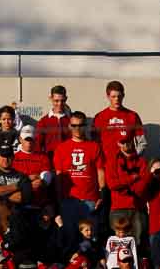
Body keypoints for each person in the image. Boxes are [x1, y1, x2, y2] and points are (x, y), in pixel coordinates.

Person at [54, 112, 103, 241]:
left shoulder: (94, 146)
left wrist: (101, 194)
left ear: (85, 126)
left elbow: (100, 172)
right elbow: (59, 176)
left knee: (91, 239)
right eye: (74, 125)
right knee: (70, 237)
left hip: (90, 199)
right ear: (70, 126)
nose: (77, 128)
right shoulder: (61, 148)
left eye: (80, 125)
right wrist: (59, 199)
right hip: (69, 200)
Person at [94, 81, 145, 165]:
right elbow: (95, 145)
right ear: (108, 96)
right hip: (107, 166)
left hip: (127, 166)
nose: (117, 99)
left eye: (119, 96)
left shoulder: (132, 116)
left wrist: (132, 156)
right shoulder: (99, 117)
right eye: (113, 96)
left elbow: (142, 143)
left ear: (123, 96)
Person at [36, 85, 79, 158]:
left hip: (70, 162)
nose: (59, 104)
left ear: (66, 99)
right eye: (56, 101)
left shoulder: (73, 120)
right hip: (50, 162)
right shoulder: (43, 121)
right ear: (50, 98)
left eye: (62, 101)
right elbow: (38, 146)